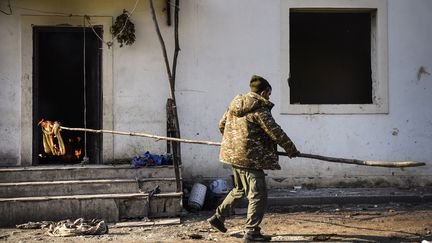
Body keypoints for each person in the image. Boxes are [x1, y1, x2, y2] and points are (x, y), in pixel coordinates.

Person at [207, 75, 300, 242]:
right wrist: (291, 149)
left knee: (239, 190)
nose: (269, 97)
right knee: (258, 195)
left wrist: (235, 143)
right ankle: (251, 232)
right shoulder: (259, 109)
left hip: (234, 156)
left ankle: (218, 217)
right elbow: (275, 132)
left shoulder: (234, 105)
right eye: (269, 94)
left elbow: (221, 125)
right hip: (250, 159)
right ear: (264, 92)